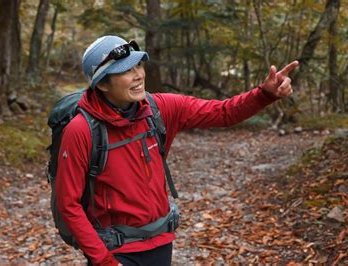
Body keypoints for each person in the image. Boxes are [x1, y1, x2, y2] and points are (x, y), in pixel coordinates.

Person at [55, 35, 298, 266]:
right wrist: (104, 261)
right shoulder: (81, 130)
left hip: (161, 243)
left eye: (138, 66)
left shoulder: (159, 109)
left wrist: (264, 94)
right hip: (114, 251)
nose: (139, 75)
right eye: (126, 70)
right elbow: (69, 204)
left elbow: (223, 112)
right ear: (103, 83)